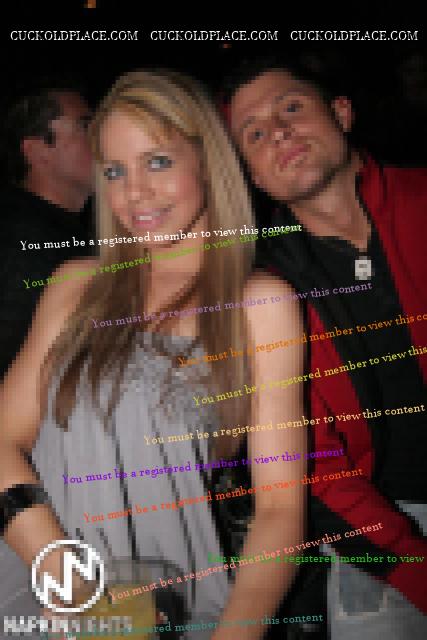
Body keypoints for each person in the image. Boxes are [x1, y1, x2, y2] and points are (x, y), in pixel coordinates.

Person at [0, 69, 306, 640]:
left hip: (173, 605)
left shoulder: (258, 304)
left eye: (157, 162)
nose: (133, 192)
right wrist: (60, 567)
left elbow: (280, 511)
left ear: (207, 161)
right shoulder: (76, 286)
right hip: (37, 590)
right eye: (115, 171)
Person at [224, 56, 427, 639]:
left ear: (341, 113)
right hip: (379, 537)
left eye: (291, 107)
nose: (278, 132)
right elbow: (314, 470)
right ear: (252, 175)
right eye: (254, 134)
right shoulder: (266, 291)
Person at [0, 86, 93, 378]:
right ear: (37, 150)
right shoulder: (22, 240)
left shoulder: (62, 228)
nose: (102, 138)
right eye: (85, 126)